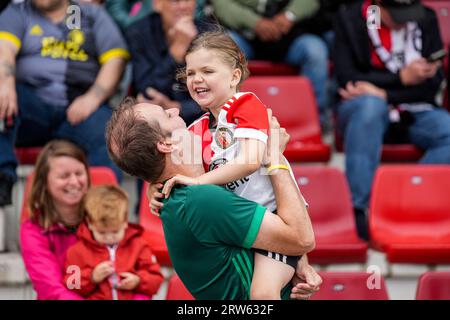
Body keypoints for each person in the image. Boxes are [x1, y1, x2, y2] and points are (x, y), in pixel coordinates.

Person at [106, 97, 321, 300]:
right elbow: (302, 238)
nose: (175, 109)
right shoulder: (200, 199)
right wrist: (275, 157)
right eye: (167, 115)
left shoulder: (185, 193)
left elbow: (284, 241)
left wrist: (297, 260)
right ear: (166, 144)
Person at [156, 31, 309, 300]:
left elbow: (250, 161)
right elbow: (165, 168)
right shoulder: (197, 128)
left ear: (235, 77)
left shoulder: (246, 105)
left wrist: (199, 182)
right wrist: (153, 194)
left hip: (278, 217)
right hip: (249, 226)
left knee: (262, 295)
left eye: (208, 71)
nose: (197, 79)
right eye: (191, 73)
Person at [334, 0, 450, 240]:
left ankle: (408, 200)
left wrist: (385, 91)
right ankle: (358, 209)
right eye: (396, 14)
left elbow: (432, 86)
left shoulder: (425, 17)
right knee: (370, 107)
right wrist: (402, 78)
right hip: (362, 110)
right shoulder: (352, 17)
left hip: (416, 108)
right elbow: (348, 80)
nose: (404, 19)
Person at [0, 0, 130, 212]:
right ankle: (2, 177)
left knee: (110, 132)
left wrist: (93, 98)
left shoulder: (90, 14)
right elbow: (4, 49)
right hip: (32, 106)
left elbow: (116, 59)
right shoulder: (17, 11)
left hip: (80, 107)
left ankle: (105, 211)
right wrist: (4, 83)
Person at [210, 0, 330, 127]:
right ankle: (223, 121)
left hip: (291, 36)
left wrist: (289, 15)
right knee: (223, 50)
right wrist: (255, 23)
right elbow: (221, 4)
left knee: (315, 50)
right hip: (246, 37)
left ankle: (317, 123)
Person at [63, 185, 163, 300]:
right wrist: (92, 277)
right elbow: (70, 284)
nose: (110, 238)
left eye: (115, 231)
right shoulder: (77, 251)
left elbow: (156, 279)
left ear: (125, 222)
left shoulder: (138, 245)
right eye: (102, 233)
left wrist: (138, 281)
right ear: (89, 223)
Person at [125, 0, 209, 126]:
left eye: (187, 0)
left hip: (203, 120)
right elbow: (147, 92)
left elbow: (221, 94)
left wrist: (178, 107)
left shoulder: (210, 33)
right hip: (155, 124)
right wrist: (175, 53)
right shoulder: (139, 33)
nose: (183, 6)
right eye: (174, 1)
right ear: (157, 4)